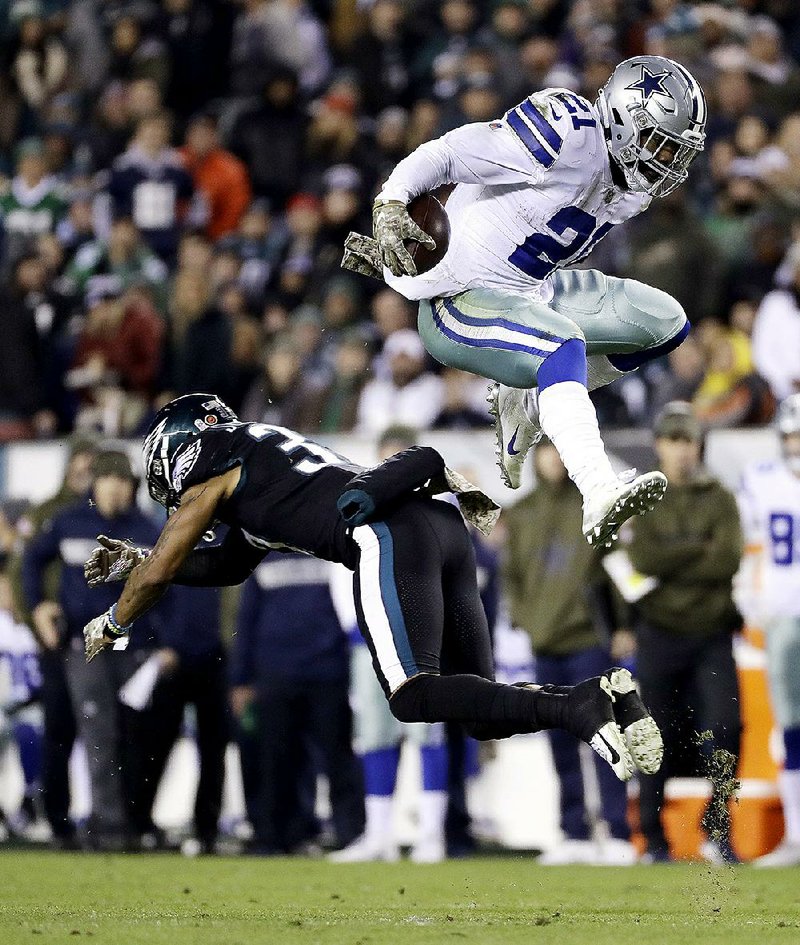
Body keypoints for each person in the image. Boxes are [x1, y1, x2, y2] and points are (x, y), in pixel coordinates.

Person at [80, 393, 663, 792]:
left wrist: (113, 621)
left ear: (180, 450)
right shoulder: (260, 459)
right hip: (437, 526)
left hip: (385, 534)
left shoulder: (215, 461)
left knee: (411, 695)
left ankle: (581, 708)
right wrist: (140, 561)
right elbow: (227, 565)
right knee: (477, 708)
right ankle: (600, 697)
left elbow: (161, 571)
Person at [342, 56, 707, 547]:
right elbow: (450, 153)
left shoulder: (632, 189)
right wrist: (392, 200)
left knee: (665, 322)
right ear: (622, 120)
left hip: (533, 292)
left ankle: (532, 402)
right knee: (561, 348)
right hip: (462, 299)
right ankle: (598, 488)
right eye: (661, 144)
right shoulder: (568, 134)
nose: (666, 163)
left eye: (675, 152)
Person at [503, 439, 640, 866]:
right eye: (545, 450)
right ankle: (573, 831)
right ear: (535, 456)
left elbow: (619, 568)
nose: (553, 458)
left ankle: (616, 832)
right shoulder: (521, 513)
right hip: (546, 645)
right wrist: (528, 621)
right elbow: (513, 580)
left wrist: (623, 625)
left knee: (605, 737)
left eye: (560, 450)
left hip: (588, 641)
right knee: (560, 745)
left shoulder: (595, 504)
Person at [21, 450, 165, 850]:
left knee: (137, 739)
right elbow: (31, 562)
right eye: (108, 480)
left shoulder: (145, 529)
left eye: (123, 482)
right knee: (98, 733)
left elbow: (165, 587)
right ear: (95, 484)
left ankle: (132, 821)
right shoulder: (68, 522)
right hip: (86, 643)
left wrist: (160, 639)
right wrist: (38, 606)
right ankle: (110, 826)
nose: (115, 489)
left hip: (135, 646)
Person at [626, 402, 743, 864]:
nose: (680, 450)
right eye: (673, 440)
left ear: (698, 445)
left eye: (687, 440)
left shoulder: (720, 497)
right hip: (658, 632)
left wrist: (672, 558)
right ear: (659, 445)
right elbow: (642, 561)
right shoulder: (643, 496)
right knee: (654, 737)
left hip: (711, 632)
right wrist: (698, 550)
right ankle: (654, 840)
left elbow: (727, 560)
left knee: (726, 731)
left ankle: (719, 830)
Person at [738, 394, 800, 867]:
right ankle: (797, 834)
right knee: (790, 727)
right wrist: (749, 601)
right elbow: (748, 550)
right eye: (792, 436)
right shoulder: (762, 483)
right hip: (782, 617)